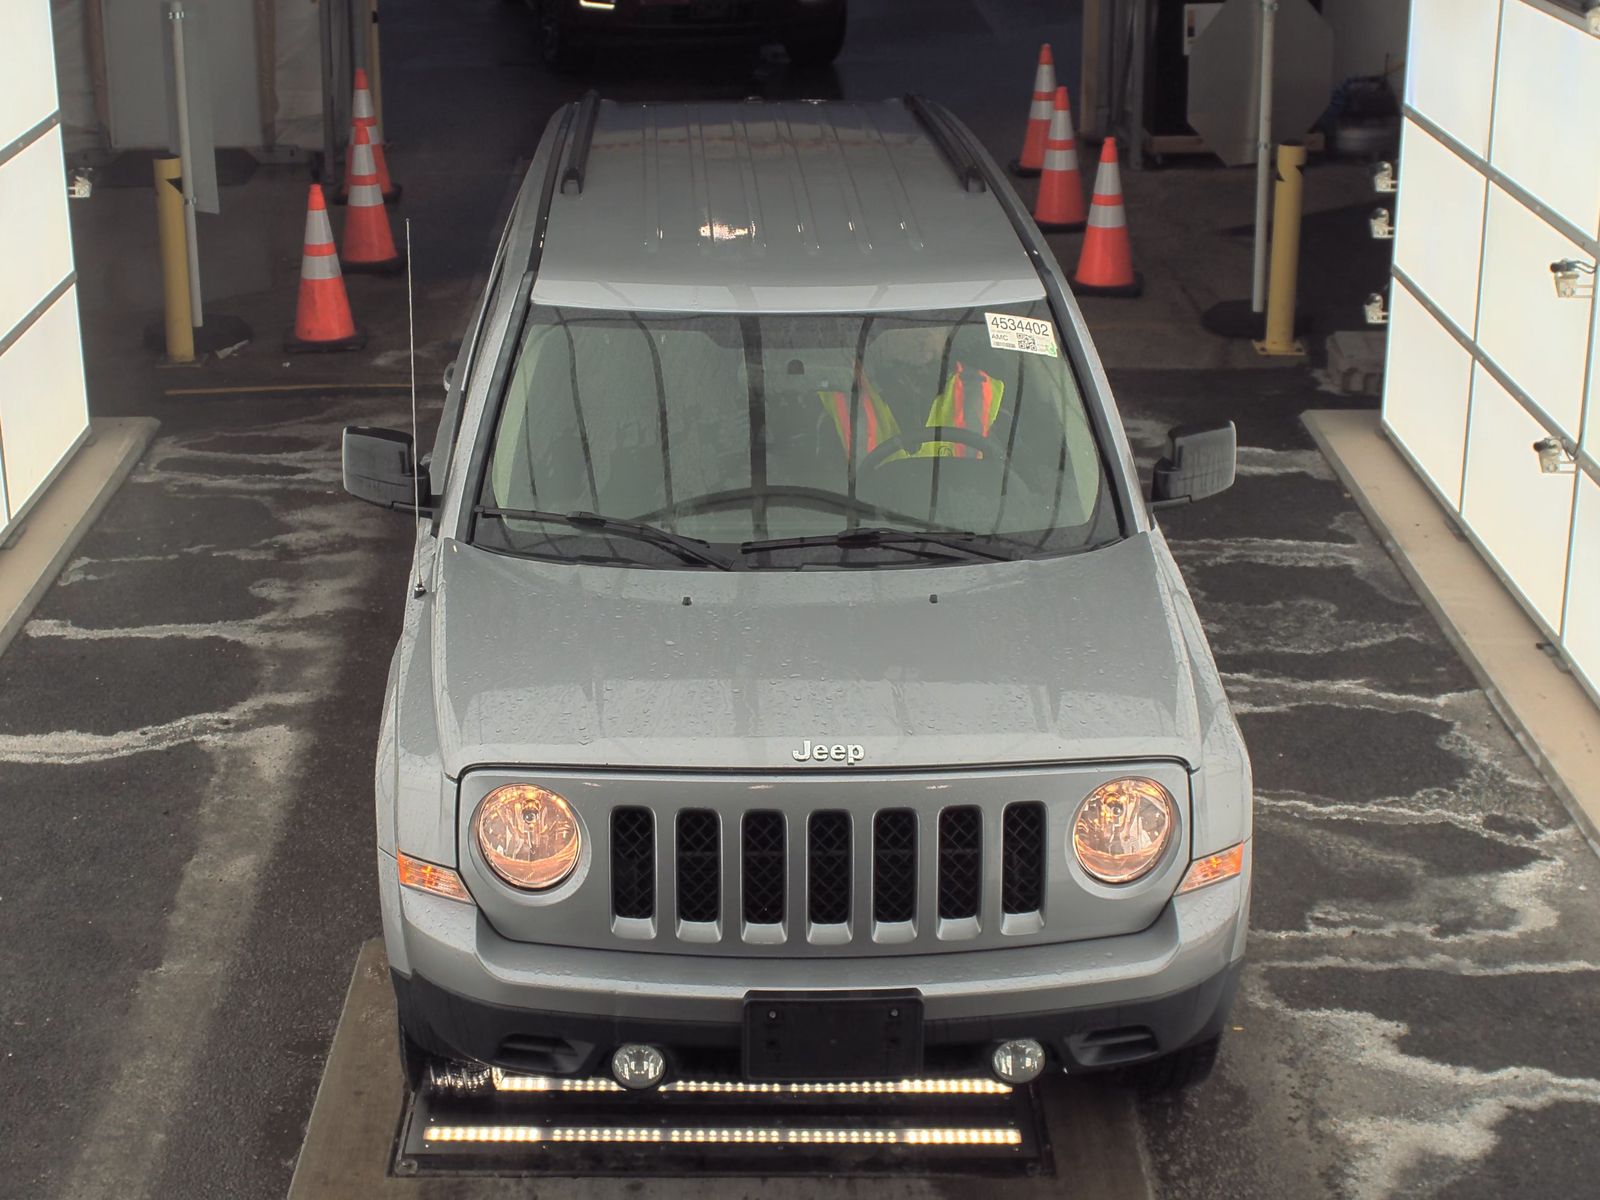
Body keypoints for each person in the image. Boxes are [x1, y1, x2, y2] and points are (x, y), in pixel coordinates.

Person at [817, 324, 1006, 463]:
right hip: (865, 513)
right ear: (877, 339)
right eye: (910, 327)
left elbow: (1012, 481)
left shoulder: (979, 389)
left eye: (934, 328)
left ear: (947, 333)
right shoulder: (840, 389)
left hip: (962, 510)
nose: (923, 336)